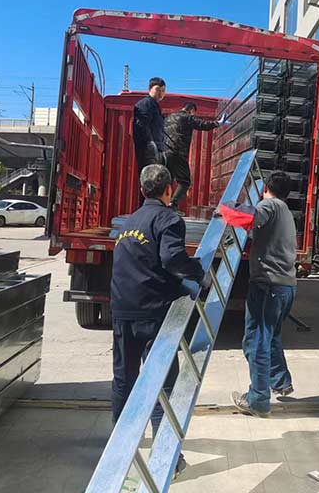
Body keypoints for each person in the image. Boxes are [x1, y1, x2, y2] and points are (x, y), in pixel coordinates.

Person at [110, 164, 211, 475]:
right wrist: (198, 273)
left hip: (122, 308)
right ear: (169, 189)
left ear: (142, 190)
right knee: (163, 385)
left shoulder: (130, 220)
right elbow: (171, 259)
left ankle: (118, 452)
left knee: (124, 380)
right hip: (153, 311)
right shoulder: (169, 219)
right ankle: (167, 458)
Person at [218, 171, 297, 418]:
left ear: (264, 189)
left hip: (268, 286)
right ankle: (281, 381)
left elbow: (248, 217)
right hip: (286, 286)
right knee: (271, 337)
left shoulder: (268, 205)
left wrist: (223, 209)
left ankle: (258, 401)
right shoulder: (285, 211)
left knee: (256, 342)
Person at [164, 101, 225, 210]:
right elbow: (202, 125)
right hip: (178, 154)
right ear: (191, 110)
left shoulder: (169, 118)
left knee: (167, 180)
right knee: (184, 181)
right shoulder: (187, 117)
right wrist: (218, 123)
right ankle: (172, 205)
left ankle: (161, 205)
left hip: (165, 153)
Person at [133, 77, 167, 172]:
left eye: (163, 91)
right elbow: (141, 126)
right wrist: (150, 144)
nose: (161, 93)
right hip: (149, 151)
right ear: (149, 89)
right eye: (158, 89)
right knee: (150, 177)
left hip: (157, 150)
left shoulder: (156, 107)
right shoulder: (145, 104)